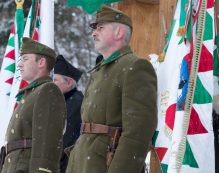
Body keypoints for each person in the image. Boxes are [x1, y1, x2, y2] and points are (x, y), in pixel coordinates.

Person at [65, 5, 157, 173]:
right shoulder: (98, 71)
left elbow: (139, 130)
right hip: (84, 163)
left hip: (106, 164)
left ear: (119, 33)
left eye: (101, 28)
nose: (94, 33)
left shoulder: (135, 66)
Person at [0, 37, 66, 173]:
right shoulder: (29, 94)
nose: (20, 65)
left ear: (41, 62)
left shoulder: (48, 91)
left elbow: (47, 141)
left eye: (25, 59)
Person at [53, 55, 84, 173]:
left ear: (69, 82)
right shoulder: (64, 101)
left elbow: (65, 139)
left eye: (55, 80)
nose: (52, 83)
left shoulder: (76, 103)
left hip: (66, 166)